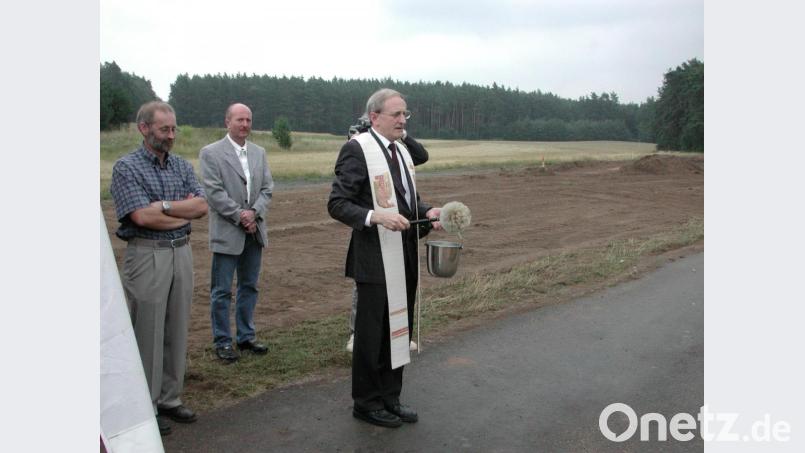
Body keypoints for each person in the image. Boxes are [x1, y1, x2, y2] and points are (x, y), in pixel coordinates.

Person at [328, 88, 442, 428]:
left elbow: (409, 201)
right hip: (373, 257)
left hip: (403, 253)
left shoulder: (403, 152)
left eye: (405, 114)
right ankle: (366, 401)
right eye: (396, 115)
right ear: (374, 117)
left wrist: (428, 211)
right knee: (372, 333)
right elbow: (337, 203)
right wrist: (376, 217)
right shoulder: (357, 150)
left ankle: (391, 396)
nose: (403, 120)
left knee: (399, 329)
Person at [110, 101, 208, 436]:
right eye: (164, 129)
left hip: (181, 254)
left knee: (176, 327)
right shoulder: (126, 168)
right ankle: (145, 406)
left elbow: (200, 206)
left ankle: (170, 397)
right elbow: (141, 217)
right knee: (148, 331)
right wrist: (179, 215)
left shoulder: (180, 165)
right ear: (144, 128)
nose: (171, 135)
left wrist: (166, 208)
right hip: (147, 256)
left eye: (174, 128)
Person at [345, 116, 430, 353]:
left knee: (398, 282)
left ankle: (397, 333)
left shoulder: (398, 149)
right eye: (395, 116)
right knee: (365, 286)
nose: (400, 120)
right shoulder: (361, 142)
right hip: (372, 226)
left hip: (397, 226)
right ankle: (356, 333)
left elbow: (421, 156)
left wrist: (401, 135)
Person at [199, 103, 274, 363]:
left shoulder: (259, 153)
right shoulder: (210, 153)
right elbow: (214, 192)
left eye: (248, 120)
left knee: (249, 286)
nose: (245, 125)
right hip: (228, 232)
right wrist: (240, 216)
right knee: (221, 290)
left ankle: (245, 337)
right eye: (240, 120)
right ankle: (222, 341)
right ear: (227, 122)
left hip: (255, 231)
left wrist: (254, 212)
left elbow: (267, 188)